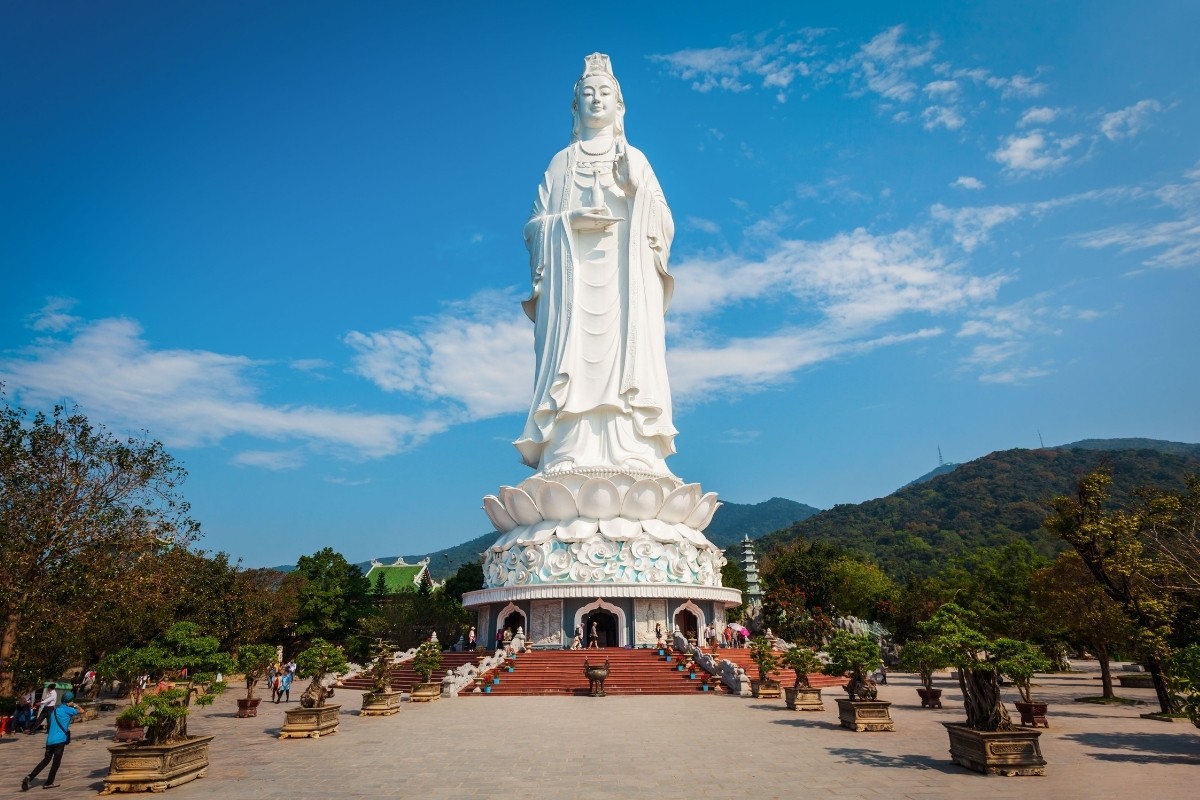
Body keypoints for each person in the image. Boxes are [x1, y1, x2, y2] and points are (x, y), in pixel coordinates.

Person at [514, 53, 677, 477]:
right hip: (574, 287)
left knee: (628, 360)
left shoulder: (636, 159)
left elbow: (665, 224)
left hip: (626, 283)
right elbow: (533, 227)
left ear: (620, 106)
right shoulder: (560, 163)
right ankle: (567, 448)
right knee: (574, 361)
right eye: (588, 93)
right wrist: (569, 222)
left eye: (605, 93)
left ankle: (633, 448)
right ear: (575, 106)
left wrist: (634, 190)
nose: (596, 100)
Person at [21, 690, 80, 791]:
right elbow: (81, 711)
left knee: (45, 760)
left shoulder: (54, 711)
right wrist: (74, 704)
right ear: (70, 700)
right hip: (60, 740)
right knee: (56, 762)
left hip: (50, 740)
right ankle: (49, 782)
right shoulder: (68, 710)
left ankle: (30, 777)